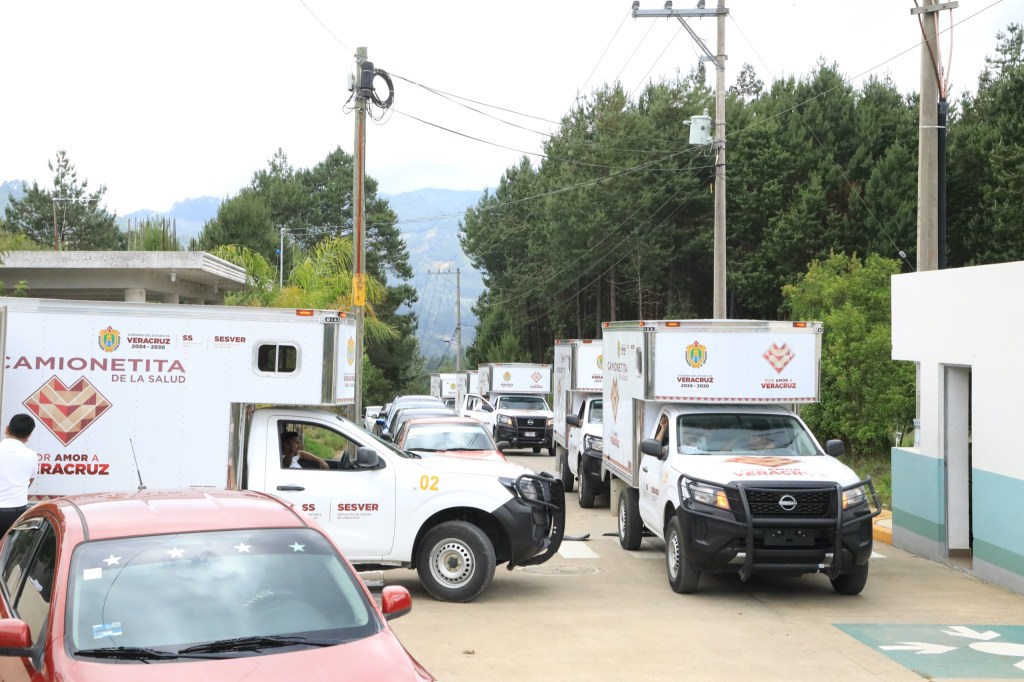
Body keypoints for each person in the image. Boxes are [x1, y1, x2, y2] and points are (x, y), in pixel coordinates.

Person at [0, 414, 38, 537]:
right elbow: (29, 481)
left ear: (6, 429)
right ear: (28, 436)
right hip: (15, 514)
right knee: (7, 548)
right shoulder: (31, 455)